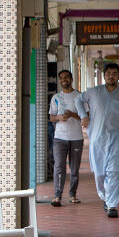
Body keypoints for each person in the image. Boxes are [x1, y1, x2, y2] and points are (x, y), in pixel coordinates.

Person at [76, 62, 119, 218]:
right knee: (99, 173)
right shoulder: (94, 92)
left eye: (114, 73)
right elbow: (78, 100)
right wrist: (83, 116)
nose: (111, 76)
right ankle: (104, 196)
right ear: (104, 76)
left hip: (118, 138)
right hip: (98, 138)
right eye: (108, 73)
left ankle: (112, 205)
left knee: (115, 171)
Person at [48, 70, 83, 207]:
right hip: (59, 138)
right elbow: (51, 117)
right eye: (61, 78)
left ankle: (73, 194)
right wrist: (59, 117)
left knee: (74, 168)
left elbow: (86, 117)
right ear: (59, 80)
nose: (64, 80)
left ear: (71, 79)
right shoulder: (56, 97)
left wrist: (73, 115)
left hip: (76, 138)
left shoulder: (79, 96)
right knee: (59, 167)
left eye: (66, 77)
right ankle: (57, 196)